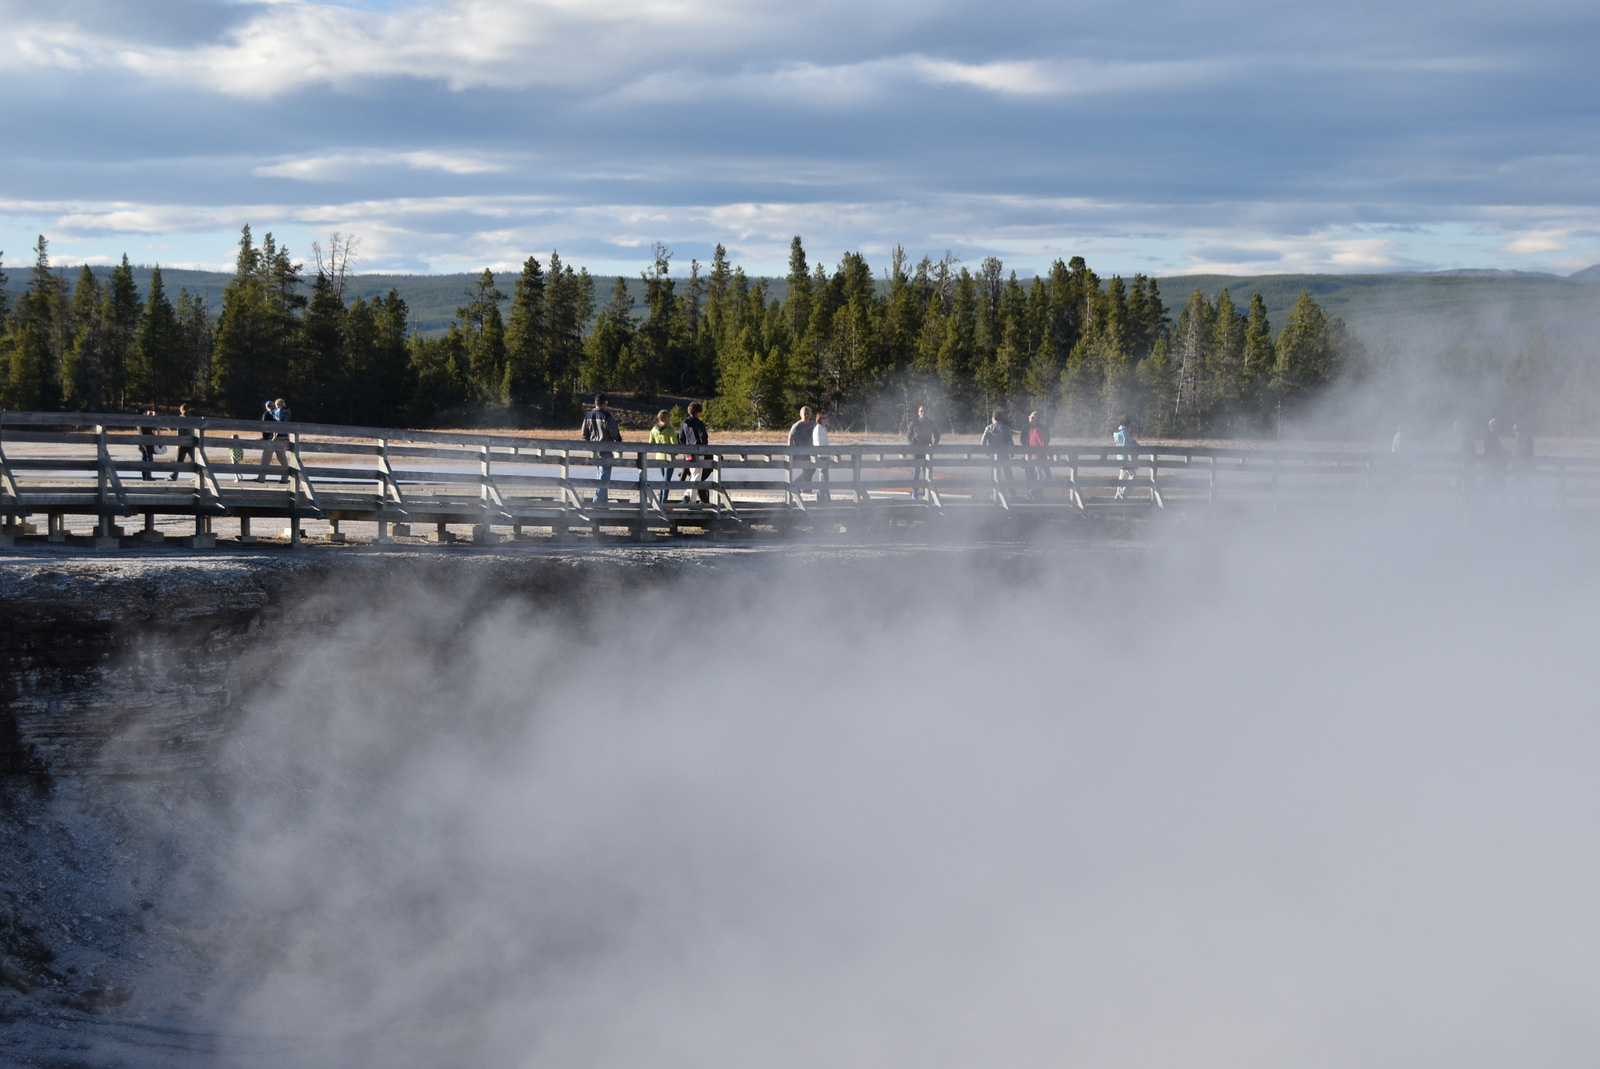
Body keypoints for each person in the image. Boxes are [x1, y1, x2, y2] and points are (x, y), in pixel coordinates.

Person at [580, 393, 623, 505]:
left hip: (594, 451)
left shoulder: (588, 416)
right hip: (606, 450)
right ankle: (598, 501)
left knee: (600, 475)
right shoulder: (606, 416)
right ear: (604, 403)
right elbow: (614, 432)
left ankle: (603, 502)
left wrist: (590, 444)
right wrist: (618, 440)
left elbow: (584, 434)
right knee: (604, 478)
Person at [677, 401, 712, 504]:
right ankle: (691, 500)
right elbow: (703, 438)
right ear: (698, 412)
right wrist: (704, 449)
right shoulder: (699, 423)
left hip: (687, 453)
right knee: (696, 475)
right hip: (699, 452)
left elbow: (681, 438)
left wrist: (684, 449)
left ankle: (687, 495)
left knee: (693, 474)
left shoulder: (684, 423)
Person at [906, 404, 940, 499]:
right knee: (916, 471)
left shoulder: (931, 423)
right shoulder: (914, 422)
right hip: (917, 449)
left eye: (924, 411)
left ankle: (927, 491)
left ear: (927, 412)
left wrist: (934, 445)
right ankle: (915, 491)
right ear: (918, 413)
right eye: (921, 411)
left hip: (927, 450)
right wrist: (912, 444)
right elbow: (908, 435)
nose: (923, 413)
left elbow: (937, 434)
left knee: (927, 471)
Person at [257, 398, 290, 483]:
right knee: (283, 459)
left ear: (266, 407)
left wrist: (265, 438)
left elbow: (264, 427)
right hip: (282, 438)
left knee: (266, 459)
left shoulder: (268, 413)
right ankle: (285, 479)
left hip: (271, 439)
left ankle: (261, 478)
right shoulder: (285, 413)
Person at [647, 409, 677, 503]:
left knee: (664, 479)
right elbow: (675, 445)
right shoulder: (670, 430)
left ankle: (660, 499)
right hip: (669, 458)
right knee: (667, 481)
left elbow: (650, 443)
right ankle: (663, 501)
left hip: (659, 457)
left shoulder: (654, 430)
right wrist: (676, 453)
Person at [980, 409, 1014, 489]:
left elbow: (983, 442)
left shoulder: (989, 428)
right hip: (1004, 453)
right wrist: (1012, 452)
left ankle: (992, 492)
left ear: (993, 418)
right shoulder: (1006, 428)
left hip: (993, 453)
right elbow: (1010, 441)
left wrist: (986, 451)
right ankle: (1012, 492)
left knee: (992, 474)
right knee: (1008, 473)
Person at [788, 406, 816, 490]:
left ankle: (798, 486)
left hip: (810, 451)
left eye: (808, 414)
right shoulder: (797, 426)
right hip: (800, 452)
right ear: (801, 415)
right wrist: (791, 451)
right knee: (807, 469)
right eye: (805, 414)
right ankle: (805, 488)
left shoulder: (812, 424)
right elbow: (790, 437)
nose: (806, 415)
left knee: (812, 469)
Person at [1025, 410, 1050, 498]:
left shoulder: (1033, 429)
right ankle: (1032, 491)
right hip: (1039, 456)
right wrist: (1048, 455)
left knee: (1039, 476)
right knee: (1047, 477)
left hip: (1034, 456)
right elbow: (1043, 443)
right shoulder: (1038, 430)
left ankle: (1035, 494)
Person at [1112, 414, 1138, 499]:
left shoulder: (1116, 433)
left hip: (1119, 457)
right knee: (1133, 477)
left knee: (1122, 477)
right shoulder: (1124, 433)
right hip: (1126, 459)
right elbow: (1126, 447)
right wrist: (1134, 445)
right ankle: (1122, 494)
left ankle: (1117, 496)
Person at [170, 403, 195, 481]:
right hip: (191, 442)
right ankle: (198, 475)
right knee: (194, 460)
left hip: (183, 442)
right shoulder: (191, 418)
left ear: (181, 410)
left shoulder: (181, 418)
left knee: (179, 460)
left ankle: (174, 476)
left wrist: (178, 444)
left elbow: (180, 432)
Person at [812, 411, 832, 503]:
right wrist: (824, 453)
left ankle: (825, 497)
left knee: (825, 477)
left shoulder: (823, 429)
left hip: (825, 455)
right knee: (823, 477)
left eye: (826, 418)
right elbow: (819, 443)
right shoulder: (818, 429)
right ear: (819, 419)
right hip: (821, 455)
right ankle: (821, 497)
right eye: (824, 418)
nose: (826, 420)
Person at [137, 410, 159, 480]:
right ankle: (148, 476)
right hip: (148, 441)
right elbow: (153, 427)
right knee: (149, 458)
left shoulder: (137, 421)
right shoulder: (144, 421)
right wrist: (153, 417)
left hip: (141, 441)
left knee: (144, 458)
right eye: (145, 413)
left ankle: (145, 476)